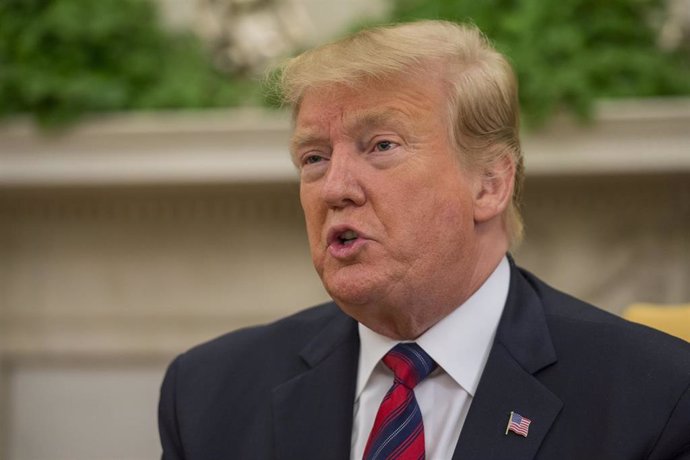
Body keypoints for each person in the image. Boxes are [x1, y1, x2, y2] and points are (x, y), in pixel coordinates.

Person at [158, 20, 690, 459]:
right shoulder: (209, 394)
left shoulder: (656, 396)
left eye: (382, 145)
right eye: (314, 158)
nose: (336, 188)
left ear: (490, 184)